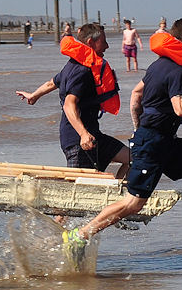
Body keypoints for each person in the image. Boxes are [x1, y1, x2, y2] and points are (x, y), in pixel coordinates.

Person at [61, 16, 182, 264]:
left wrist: (140, 130)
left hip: (163, 141)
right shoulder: (179, 70)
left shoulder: (158, 65)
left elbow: (136, 95)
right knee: (133, 203)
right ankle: (80, 234)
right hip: (154, 144)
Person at [15, 22, 131, 178]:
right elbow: (69, 105)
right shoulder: (82, 71)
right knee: (76, 185)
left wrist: (34, 95)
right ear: (91, 42)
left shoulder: (74, 64)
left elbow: (52, 82)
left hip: (94, 135)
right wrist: (83, 134)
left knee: (133, 159)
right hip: (78, 140)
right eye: (103, 41)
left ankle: (119, 196)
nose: (107, 46)